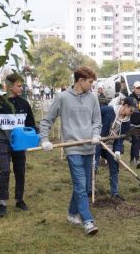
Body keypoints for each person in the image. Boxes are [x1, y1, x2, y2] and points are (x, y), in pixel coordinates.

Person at [39, 66, 102, 235]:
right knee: (81, 185)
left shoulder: (93, 98)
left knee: (84, 185)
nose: (92, 85)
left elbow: (97, 121)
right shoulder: (63, 97)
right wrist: (44, 139)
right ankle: (88, 220)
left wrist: (96, 134)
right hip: (72, 147)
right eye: (90, 82)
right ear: (80, 81)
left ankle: (72, 213)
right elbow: (47, 121)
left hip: (89, 147)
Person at [0, 73, 38, 218]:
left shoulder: (24, 104)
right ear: (9, 86)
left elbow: (31, 125)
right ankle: (2, 203)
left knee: (20, 171)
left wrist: (35, 136)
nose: (22, 88)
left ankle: (19, 200)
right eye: (19, 85)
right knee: (4, 171)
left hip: (19, 144)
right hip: (3, 142)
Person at [93, 97, 138, 201]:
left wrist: (117, 150)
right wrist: (95, 132)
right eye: (131, 110)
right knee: (93, 165)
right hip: (97, 142)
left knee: (114, 166)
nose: (132, 113)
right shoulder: (108, 110)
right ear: (125, 106)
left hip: (110, 147)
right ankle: (90, 189)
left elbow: (120, 139)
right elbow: (94, 116)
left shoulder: (127, 123)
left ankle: (115, 193)